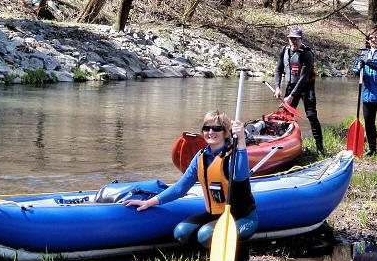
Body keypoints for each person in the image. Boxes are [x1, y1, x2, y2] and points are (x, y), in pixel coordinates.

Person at [124, 110, 258, 248]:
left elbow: (241, 176)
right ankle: (204, 254)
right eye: (207, 128)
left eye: (216, 128)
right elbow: (180, 188)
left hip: (241, 217)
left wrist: (241, 140)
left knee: (206, 235)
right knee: (181, 233)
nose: (210, 132)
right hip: (214, 215)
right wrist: (148, 202)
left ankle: (241, 258)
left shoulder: (233, 155)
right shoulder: (200, 157)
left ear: (225, 132)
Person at [273, 26, 325, 155]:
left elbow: (303, 78)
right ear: (288, 39)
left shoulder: (307, 53)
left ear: (301, 39)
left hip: (306, 87)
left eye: (296, 39)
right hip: (291, 85)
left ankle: (320, 148)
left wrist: (291, 96)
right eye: (291, 39)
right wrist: (278, 87)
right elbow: (278, 69)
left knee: (312, 116)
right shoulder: (284, 50)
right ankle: (284, 147)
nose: (294, 41)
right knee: (286, 116)